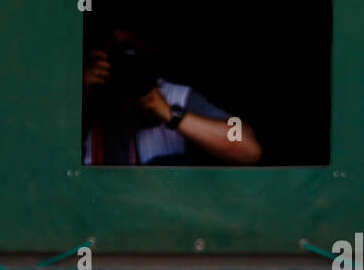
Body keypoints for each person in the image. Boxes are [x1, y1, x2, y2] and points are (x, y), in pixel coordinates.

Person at [82, 25, 261, 166]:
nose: (125, 61)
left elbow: (248, 149)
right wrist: (76, 91)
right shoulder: (85, 98)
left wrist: (169, 114)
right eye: (115, 51)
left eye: (130, 51)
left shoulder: (173, 97)